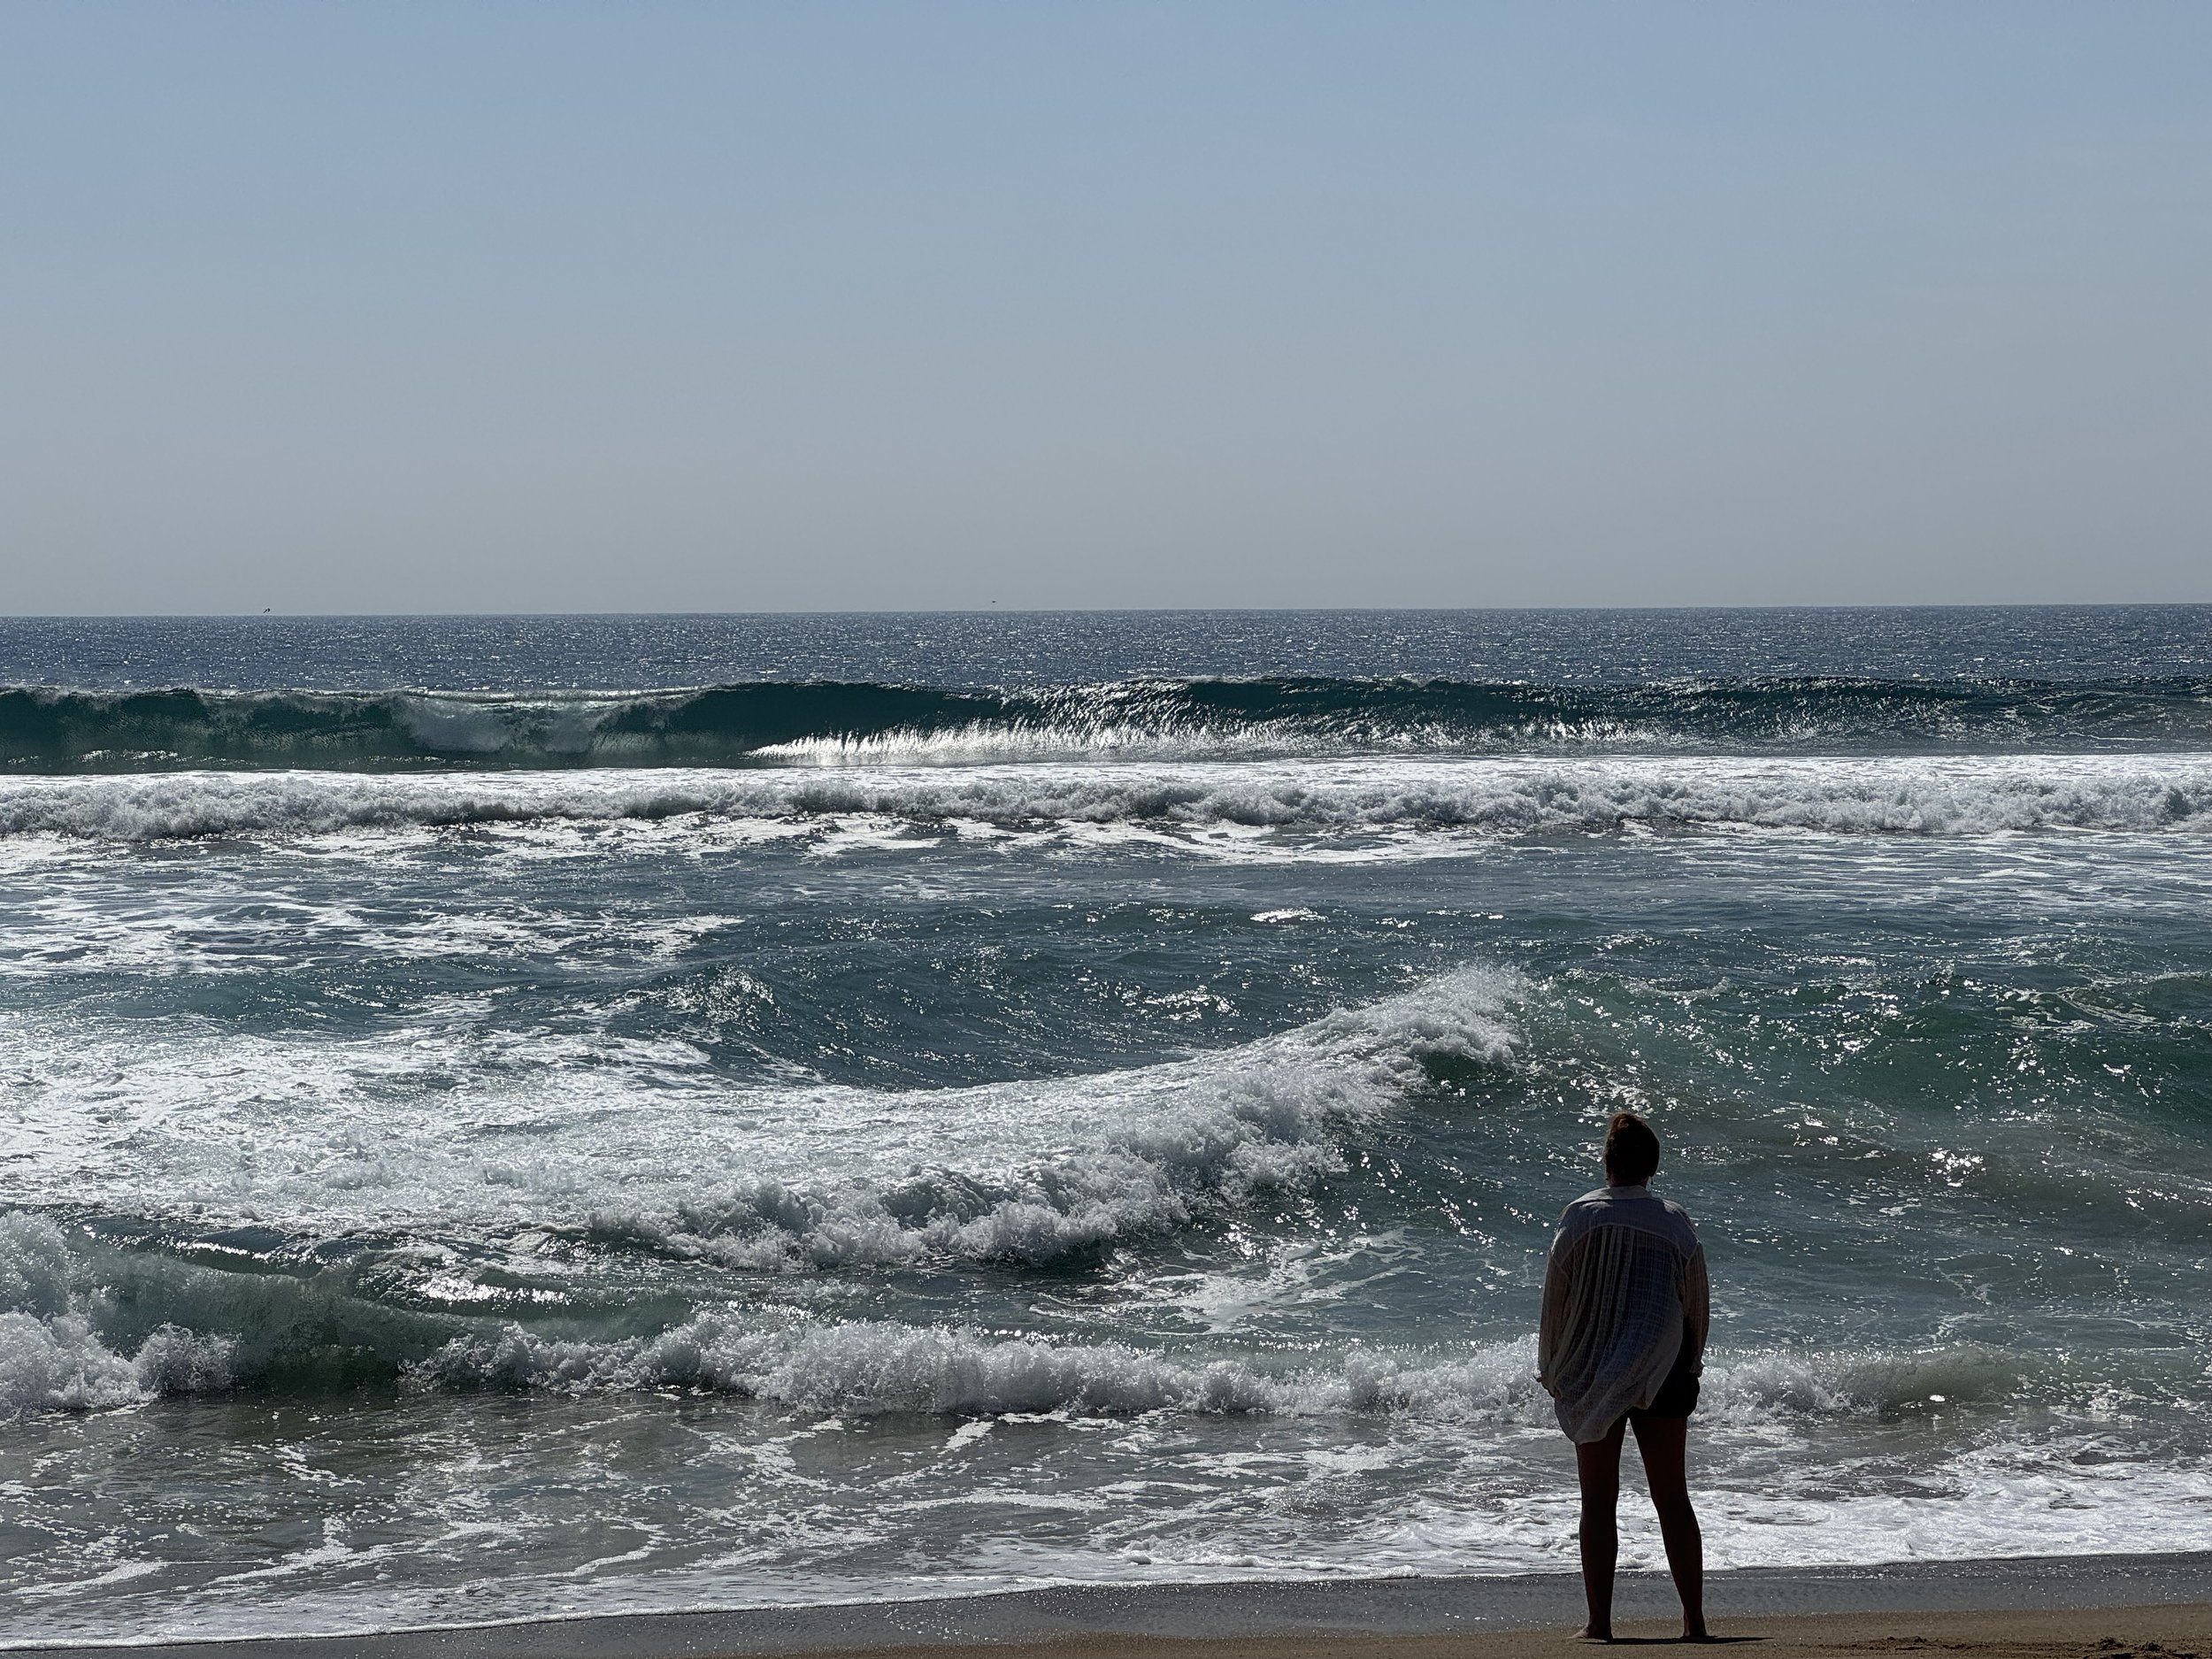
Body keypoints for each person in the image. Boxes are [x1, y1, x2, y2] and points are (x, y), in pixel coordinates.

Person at [1538, 1111, 1711, 1643]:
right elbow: (1696, 1305)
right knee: (1672, 1497)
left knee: (1598, 1500)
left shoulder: (1581, 1216)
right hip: (1661, 1369)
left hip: (1595, 1370)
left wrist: (1551, 1369)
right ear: (1652, 1168)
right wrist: (1692, 1363)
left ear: (1606, 1163)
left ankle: (1600, 1624)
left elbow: (1556, 1301)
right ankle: (1694, 1623)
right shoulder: (1675, 1221)